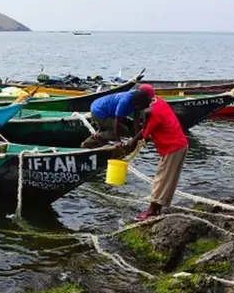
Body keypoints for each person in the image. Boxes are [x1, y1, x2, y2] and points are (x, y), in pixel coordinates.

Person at [124, 87, 189, 222]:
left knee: (162, 178)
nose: (137, 108)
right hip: (178, 144)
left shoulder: (153, 112)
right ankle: (157, 209)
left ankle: (152, 211)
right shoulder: (158, 101)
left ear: (143, 101)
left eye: (137, 105)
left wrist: (131, 143)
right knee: (167, 179)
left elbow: (144, 134)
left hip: (173, 147)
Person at [80, 84, 155, 148]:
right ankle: (97, 137)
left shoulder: (138, 99)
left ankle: (94, 140)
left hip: (110, 112)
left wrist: (136, 137)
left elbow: (136, 119)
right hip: (99, 111)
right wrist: (118, 141)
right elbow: (116, 122)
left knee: (130, 125)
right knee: (122, 130)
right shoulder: (125, 102)